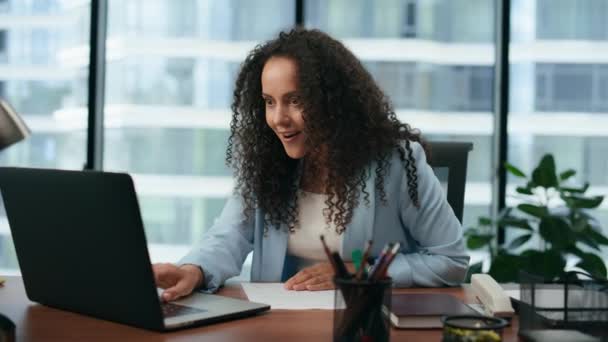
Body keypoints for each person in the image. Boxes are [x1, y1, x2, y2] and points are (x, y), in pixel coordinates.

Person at [153, 28, 469, 302]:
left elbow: (451, 259)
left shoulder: (396, 161)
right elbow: (228, 236)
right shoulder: (268, 162)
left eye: (295, 100)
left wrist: (362, 273)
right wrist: (192, 271)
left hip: (363, 321)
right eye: (269, 102)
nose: (278, 119)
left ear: (333, 101)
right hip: (279, 323)